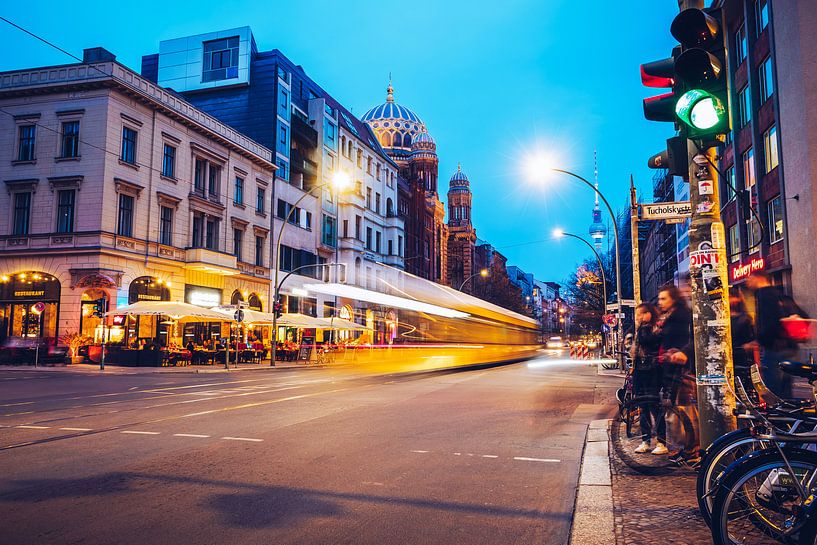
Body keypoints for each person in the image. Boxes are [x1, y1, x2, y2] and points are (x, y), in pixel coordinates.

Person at [745, 271, 807, 399]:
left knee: (773, 390)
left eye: (750, 279)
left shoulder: (763, 295)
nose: (748, 282)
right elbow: (802, 316)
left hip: (774, 348)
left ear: (759, 279)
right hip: (791, 347)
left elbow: (768, 322)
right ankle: (788, 415)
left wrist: (758, 340)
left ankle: (776, 416)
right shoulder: (781, 295)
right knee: (786, 387)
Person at [654, 284, 693, 456]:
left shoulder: (683, 316)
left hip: (682, 368)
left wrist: (682, 352)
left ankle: (687, 448)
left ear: (674, 299)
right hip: (671, 367)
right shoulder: (669, 317)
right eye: (659, 299)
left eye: (664, 298)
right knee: (674, 407)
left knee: (682, 409)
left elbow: (690, 338)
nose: (659, 302)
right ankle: (680, 447)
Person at [631, 303, 664, 454]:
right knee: (643, 407)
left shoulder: (654, 328)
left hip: (652, 370)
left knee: (654, 407)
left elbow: (646, 341)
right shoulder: (641, 329)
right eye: (638, 314)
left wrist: (642, 327)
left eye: (642, 313)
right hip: (640, 370)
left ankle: (661, 442)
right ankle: (645, 441)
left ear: (650, 313)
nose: (639, 317)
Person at [729, 289, 756, 400]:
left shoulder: (743, 319)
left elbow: (751, 339)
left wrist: (748, 346)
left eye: (732, 297)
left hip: (739, 359)